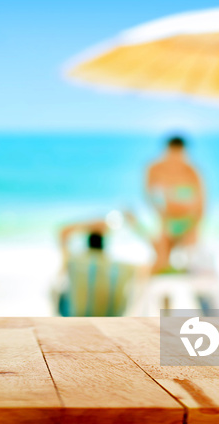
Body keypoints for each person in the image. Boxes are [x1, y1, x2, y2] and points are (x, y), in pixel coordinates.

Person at [146, 135, 205, 275]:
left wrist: (195, 221)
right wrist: (162, 212)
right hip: (167, 221)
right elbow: (151, 195)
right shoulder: (156, 169)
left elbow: (201, 200)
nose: (176, 157)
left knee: (191, 263)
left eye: (179, 153)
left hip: (189, 221)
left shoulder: (191, 171)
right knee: (161, 262)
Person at [55, 219, 134, 316]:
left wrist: (90, 226)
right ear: (104, 245)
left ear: (88, 243)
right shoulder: (123, 267)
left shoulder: (74, 261)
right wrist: (132, 225)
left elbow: (63, 233)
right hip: (110, 321)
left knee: (58, 286)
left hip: (75, 318)